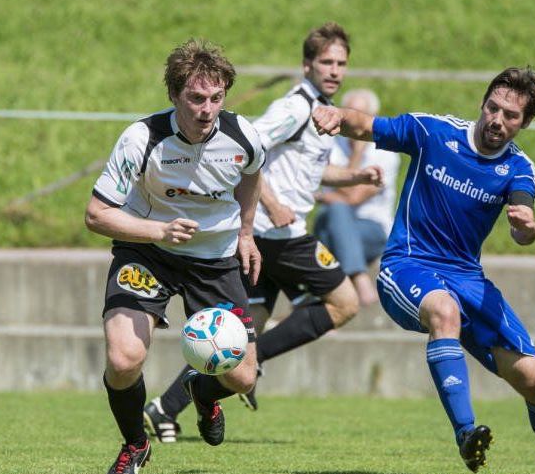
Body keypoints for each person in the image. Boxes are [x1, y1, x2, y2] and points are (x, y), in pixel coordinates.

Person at [312, 67, 535, 474]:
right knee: (444, 312)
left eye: (511, 116)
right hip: (407, 264)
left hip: (467, 278)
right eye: (493, 108)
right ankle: (466, 433)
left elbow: (523, 225)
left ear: (525, 123)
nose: (497, 120)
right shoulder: (433, 133)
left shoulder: (519, 168)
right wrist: (337, 115)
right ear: (483, 103)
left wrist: (526, 227)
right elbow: (369, 125)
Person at [144, 22, 383, 441]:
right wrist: (271, 205)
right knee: (345, 302)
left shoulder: (320, 108)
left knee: (241, 336)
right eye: (325, 61)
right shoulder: (294, 108)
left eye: (341, 63)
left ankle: (167, 405)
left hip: (266, 238)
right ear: (307, 64)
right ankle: (250, 371)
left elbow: (308, 169)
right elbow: (246, 151)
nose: (334, 70)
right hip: (277, 235)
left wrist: (352, 175)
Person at [84, 38, 266, 474]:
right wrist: (157, 232)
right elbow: (96, 214)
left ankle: (202, 392)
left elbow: (252, 174)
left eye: (217, 98)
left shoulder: (243, 136)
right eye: (196, 98)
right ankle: (134, 445)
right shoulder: (142, 138)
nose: (208, 109)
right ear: (174, 95)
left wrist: (246, 233)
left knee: (243, 376)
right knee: (124, 358)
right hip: (148, 253)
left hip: (215, 260)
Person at [314, 89, 400, 306]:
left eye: (361, 113)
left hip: (372, 229)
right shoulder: (331, 144)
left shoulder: (386, 153)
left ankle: (320, 302)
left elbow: (352, 197)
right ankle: (357, 278)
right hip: (332, 225)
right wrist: (356, 157)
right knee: (331, 219)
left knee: (333, 219)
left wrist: (358, 152)